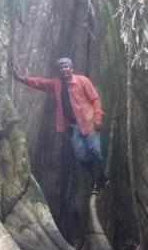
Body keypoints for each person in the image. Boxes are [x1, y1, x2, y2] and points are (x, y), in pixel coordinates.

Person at [14, 57, 108, 194]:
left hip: (89, 122)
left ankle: (96, 183)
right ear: (58, 71)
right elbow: (39, 83)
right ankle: (101, 178)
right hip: (74, 127)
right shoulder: (57, 84)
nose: (64, 69)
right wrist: (21, 78)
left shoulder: (82, 81)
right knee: (81, 155)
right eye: (61, 67)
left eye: (66, 67)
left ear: (71, 68)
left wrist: (98, 118)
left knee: (95, 151)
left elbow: (95, 99)